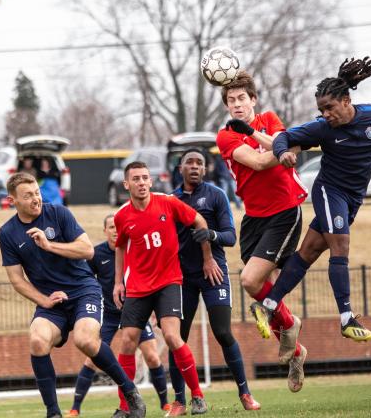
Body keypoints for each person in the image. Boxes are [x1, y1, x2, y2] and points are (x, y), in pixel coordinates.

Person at [0, 172, 146, 418]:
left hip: (83, 291)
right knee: (37, 341)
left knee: (85, 340)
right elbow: (16, 279)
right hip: (51, 301)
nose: (36, 199)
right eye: (28, 196)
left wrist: (49, 245)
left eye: (36, 192)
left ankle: (130, 392)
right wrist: (43, 301)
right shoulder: (7, 233)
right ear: (12, 200)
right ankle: (53, 413)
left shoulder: (58, 213)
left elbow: (87, 250)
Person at [261, 56, 371, 343]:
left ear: (345, 100)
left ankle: (266, 305)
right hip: (330, 192)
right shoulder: (321, 128)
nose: (325, 114)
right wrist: (283, 154)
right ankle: (346, 318)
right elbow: (283, 137)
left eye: (329, 107)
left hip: (353, 199)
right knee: (340, 244)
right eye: (321, 109)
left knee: (308, 253)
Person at [215, 70, 308, 393]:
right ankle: (294, 347)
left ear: (253, 100)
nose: (237, 105)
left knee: (250, 280)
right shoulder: (225, 135)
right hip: (254, 217)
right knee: (256, 283)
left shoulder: (269, 118)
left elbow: (288, 148)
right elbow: (259, 161)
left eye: (242, 98)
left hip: (285, 210)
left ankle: (289, 328)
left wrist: (257, 133)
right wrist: (280, 150)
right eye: (231, 100)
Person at [112, 161, 218, 416]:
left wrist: (207, 257)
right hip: (137, 287)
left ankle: (198, 396)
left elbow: (199, 221)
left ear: (151, 181)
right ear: (127, 184)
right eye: (135, 178)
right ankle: (126, 407)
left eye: (145, 178)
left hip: (169, 281)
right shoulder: (122, 216)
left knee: (172, 336)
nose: (141, 182)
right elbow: (120, 247)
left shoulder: (168, 202)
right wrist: (118, 282)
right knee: (127, 342)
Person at [168, 148, 260, 415]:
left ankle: (245, 393)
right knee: (178, 338)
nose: (195, 167)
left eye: (200, 163)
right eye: (189, 163)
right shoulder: (169, 200)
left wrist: (211, 235)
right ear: (181, 168)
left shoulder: (216, 195)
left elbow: (231, 237)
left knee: (222, 332)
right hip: (182, 278)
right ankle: (179, 402)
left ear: (205, 169)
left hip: (214, 273)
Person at [68, 214, 170, 417]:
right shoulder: (96, 254)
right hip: (108, 314)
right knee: (92, 359)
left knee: (151, 355)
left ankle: (165, 404)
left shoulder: (135, 248)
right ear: (105, 230)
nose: (115, 230)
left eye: (118, 226)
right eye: (111, 227)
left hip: (135, 312)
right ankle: (75, 408)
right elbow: (85, 279)